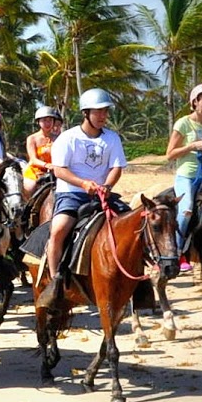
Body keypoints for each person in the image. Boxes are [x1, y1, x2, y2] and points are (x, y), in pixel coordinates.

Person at [38, 88, 127, 308]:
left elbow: (116, 167)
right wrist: (83, 183)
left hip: (101, 194)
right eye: (98, 112)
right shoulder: (68, 138)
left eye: (105, 112)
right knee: (58, 229)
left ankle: (140, 282)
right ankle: (56, 282)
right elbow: (59, 171)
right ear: (86, 113)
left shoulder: (112, 138)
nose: (103, 116)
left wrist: (106, 185)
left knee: (134, 224)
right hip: (72, 193)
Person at [164, 83, 202, 271]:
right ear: (194, 103)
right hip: (187, 176)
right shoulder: (183, 123)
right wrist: (192, 146)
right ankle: (176, 253)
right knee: (186, 210)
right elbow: (170, 153)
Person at [24, 105, 60, 183]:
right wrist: (47, 165)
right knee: (30, 187)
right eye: (44, 120)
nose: (47, 123)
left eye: (50, 120)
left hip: (55, 172)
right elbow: (33, 159)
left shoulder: (59, 138)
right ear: (38, 122)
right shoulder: (32, 138)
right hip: (35, 171)